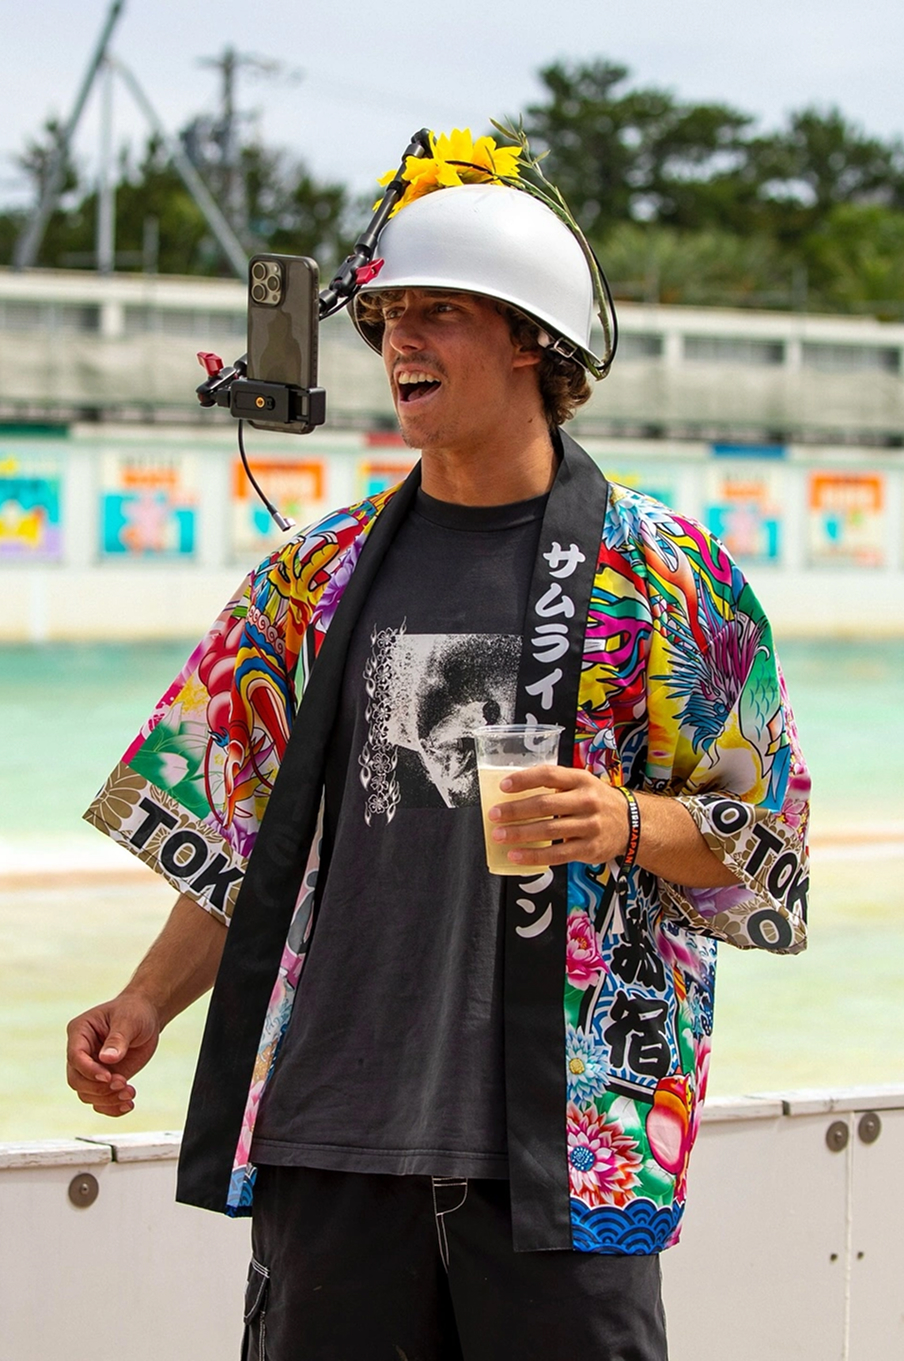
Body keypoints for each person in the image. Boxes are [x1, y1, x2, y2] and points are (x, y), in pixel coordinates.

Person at [67, 129, 811, 1361]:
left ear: (531, 338)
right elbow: (245, 837)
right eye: (385, 315)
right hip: (330, 1134)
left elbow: (765, 843)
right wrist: (144, 1000)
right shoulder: (310, 576)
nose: (397, 339)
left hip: (567, 1150)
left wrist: (624, 820)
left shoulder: (666, 576)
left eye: (438, 312)